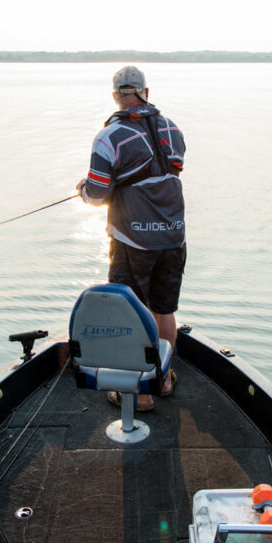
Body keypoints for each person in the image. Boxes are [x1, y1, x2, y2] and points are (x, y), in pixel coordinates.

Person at [77, 65, 186, 411]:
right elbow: (169, 170)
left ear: (115, 97)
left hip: (132, 241)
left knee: (130, 312)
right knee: (164, 309)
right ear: (146, 93)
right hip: (173, 236)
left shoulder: (108, 138)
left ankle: (139, 394)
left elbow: (97, 194)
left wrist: (83, 190)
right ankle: (164, 379)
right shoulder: (174, 129)